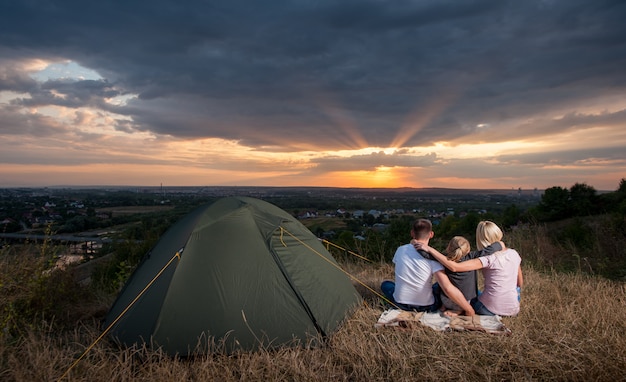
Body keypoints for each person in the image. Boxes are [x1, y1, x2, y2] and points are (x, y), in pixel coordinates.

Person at [415, 221, 523, 317]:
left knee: (439, 286)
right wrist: (500, 244)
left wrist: (427, 248)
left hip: (489, 309)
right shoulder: (514, 253)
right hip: (513, 309)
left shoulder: (486, 259)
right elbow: (519, 284)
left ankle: (456, 309)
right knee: (473, 292)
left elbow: (454, 267)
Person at [380, 219, 475, 315]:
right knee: (439, 285)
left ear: (412, 233)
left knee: (386, 284)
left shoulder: (400, 250)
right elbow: (447, 287)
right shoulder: (433, 258)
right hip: (426, 307)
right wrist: (469, 309)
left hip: (400, 304)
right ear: (431, 234)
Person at [431, 236, 503, 315]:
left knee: (439, 284)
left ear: (448, 247)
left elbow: (427, 255)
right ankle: (459, 310)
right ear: (468, 250)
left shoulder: (444, 259)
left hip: (446, 300)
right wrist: (499, 244)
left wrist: (425, 248)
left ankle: (443, 306)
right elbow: (488, 250)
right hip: (466, 301)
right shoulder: (472, 256)